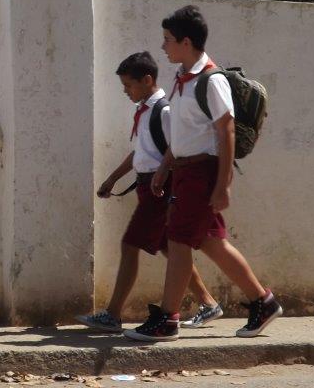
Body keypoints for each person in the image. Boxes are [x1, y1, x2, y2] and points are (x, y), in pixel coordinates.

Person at [124, 6, 282, 342]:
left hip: (202, 172)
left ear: (185, 41)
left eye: (168, 40)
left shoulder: (212, 80)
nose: (163, 46)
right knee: (212, 243)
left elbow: (226, 132)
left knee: (177, 241)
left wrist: (224, 184)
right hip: (185, 172)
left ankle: (168, 318)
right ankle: (263, 302)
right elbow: (183, 133)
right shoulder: (183, 80)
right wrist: (166, 166)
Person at [76, 51, 221, 333]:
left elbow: (175, 147)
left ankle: (113, 314)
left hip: (159, 189)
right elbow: (139, 152)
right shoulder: (144, 110)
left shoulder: (163, 111)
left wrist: (161, 175)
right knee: (170, 247)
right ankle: (208, 302)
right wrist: (112, 179)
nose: (125, 91)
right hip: (148, 186)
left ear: (147, 80)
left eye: (129, 85)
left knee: (130, 245)